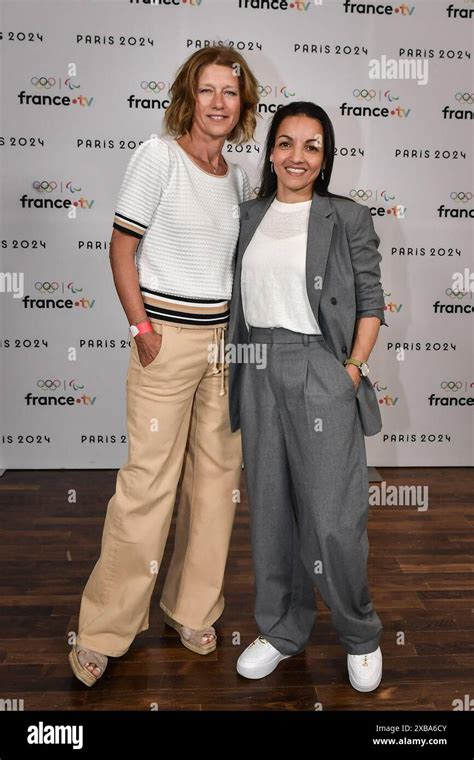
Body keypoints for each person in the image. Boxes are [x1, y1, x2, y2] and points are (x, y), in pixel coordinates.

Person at [69, 46, 258, 687]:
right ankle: (101, 631)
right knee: (147, 486)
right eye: (207, 91)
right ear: (188, 95)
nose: (217, 103)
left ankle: (192, 609)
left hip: (223, 347)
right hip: (165, 341)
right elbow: (122, 249)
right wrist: (141, 327)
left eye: (229, 93)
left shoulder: (236, 177)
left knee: (215, 485)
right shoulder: (156, 157)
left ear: (243, 104)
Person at [227, 101, 386, 692]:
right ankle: (282, 629)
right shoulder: (247, 215)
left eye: (312, 146)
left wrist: (349, 370)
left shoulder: (345, 217)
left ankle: (360, 633)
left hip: (320, 365)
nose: (297, 156)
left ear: (325, 158)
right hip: (257, 366)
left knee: (333, 517)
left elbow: (370, 300)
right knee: (269, 510)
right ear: (270, 152)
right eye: (286, 143)